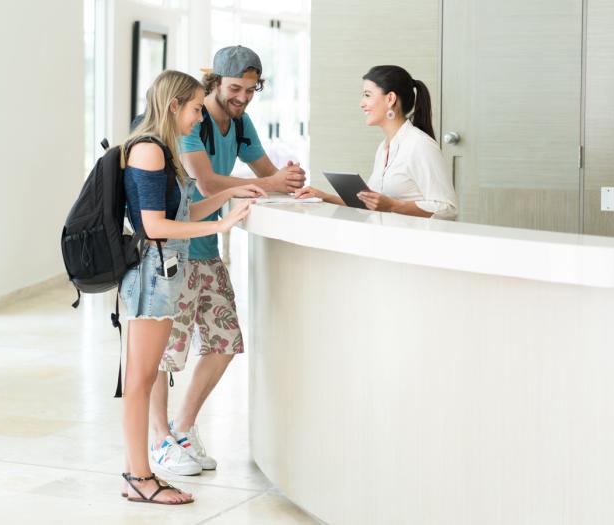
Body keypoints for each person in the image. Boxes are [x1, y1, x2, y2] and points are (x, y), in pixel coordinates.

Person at [146, 45, 302, 476]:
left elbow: (266, 174)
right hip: (174, 249)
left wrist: (287, 181)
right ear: (213, 82)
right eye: (236, 88)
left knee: (224, 341)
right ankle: (159, 439)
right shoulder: (189, 120)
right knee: (163, 353)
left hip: (207, 245)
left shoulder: (240, 121)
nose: (244, 98)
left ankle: (182, 429)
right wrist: (266, 182)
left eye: (252, 90)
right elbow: (206, 179)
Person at [118, 69, 263, 505]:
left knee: (142, 377)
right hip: (151, 275)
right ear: (173, 105)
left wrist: (228, 202)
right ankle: (139, 477)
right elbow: (153, 225)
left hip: (163, 272)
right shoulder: (148, 151)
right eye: (197, 108)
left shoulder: (163, 151)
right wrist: (221, 223)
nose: (201, 117)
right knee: (140, 380)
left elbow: (184, 209)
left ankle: (139, 475)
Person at [296, 65, 457, 219]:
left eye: (367, 95)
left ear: (390, 99)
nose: (361, 103)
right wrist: (323, 197)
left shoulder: (420, 145)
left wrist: (393, 205)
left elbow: (447, 209)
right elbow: (370, 205)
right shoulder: (383, 148)